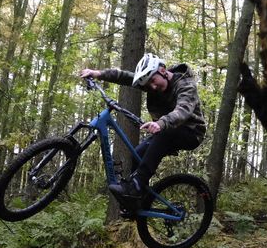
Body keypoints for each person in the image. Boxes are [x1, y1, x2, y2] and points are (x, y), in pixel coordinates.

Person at [79, 53, 206, 205]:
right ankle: (137, 202)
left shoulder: (185, 85)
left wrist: (160, 123)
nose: (152, 87)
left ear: (163, 70)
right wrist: (98, 74)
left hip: (191, 132)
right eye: (148, 84)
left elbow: (183, 110)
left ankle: (137, 186)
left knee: (163, 135)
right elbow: (125, 77)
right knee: (137, 154)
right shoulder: (151, 81)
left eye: (153, 81)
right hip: (165, 129)